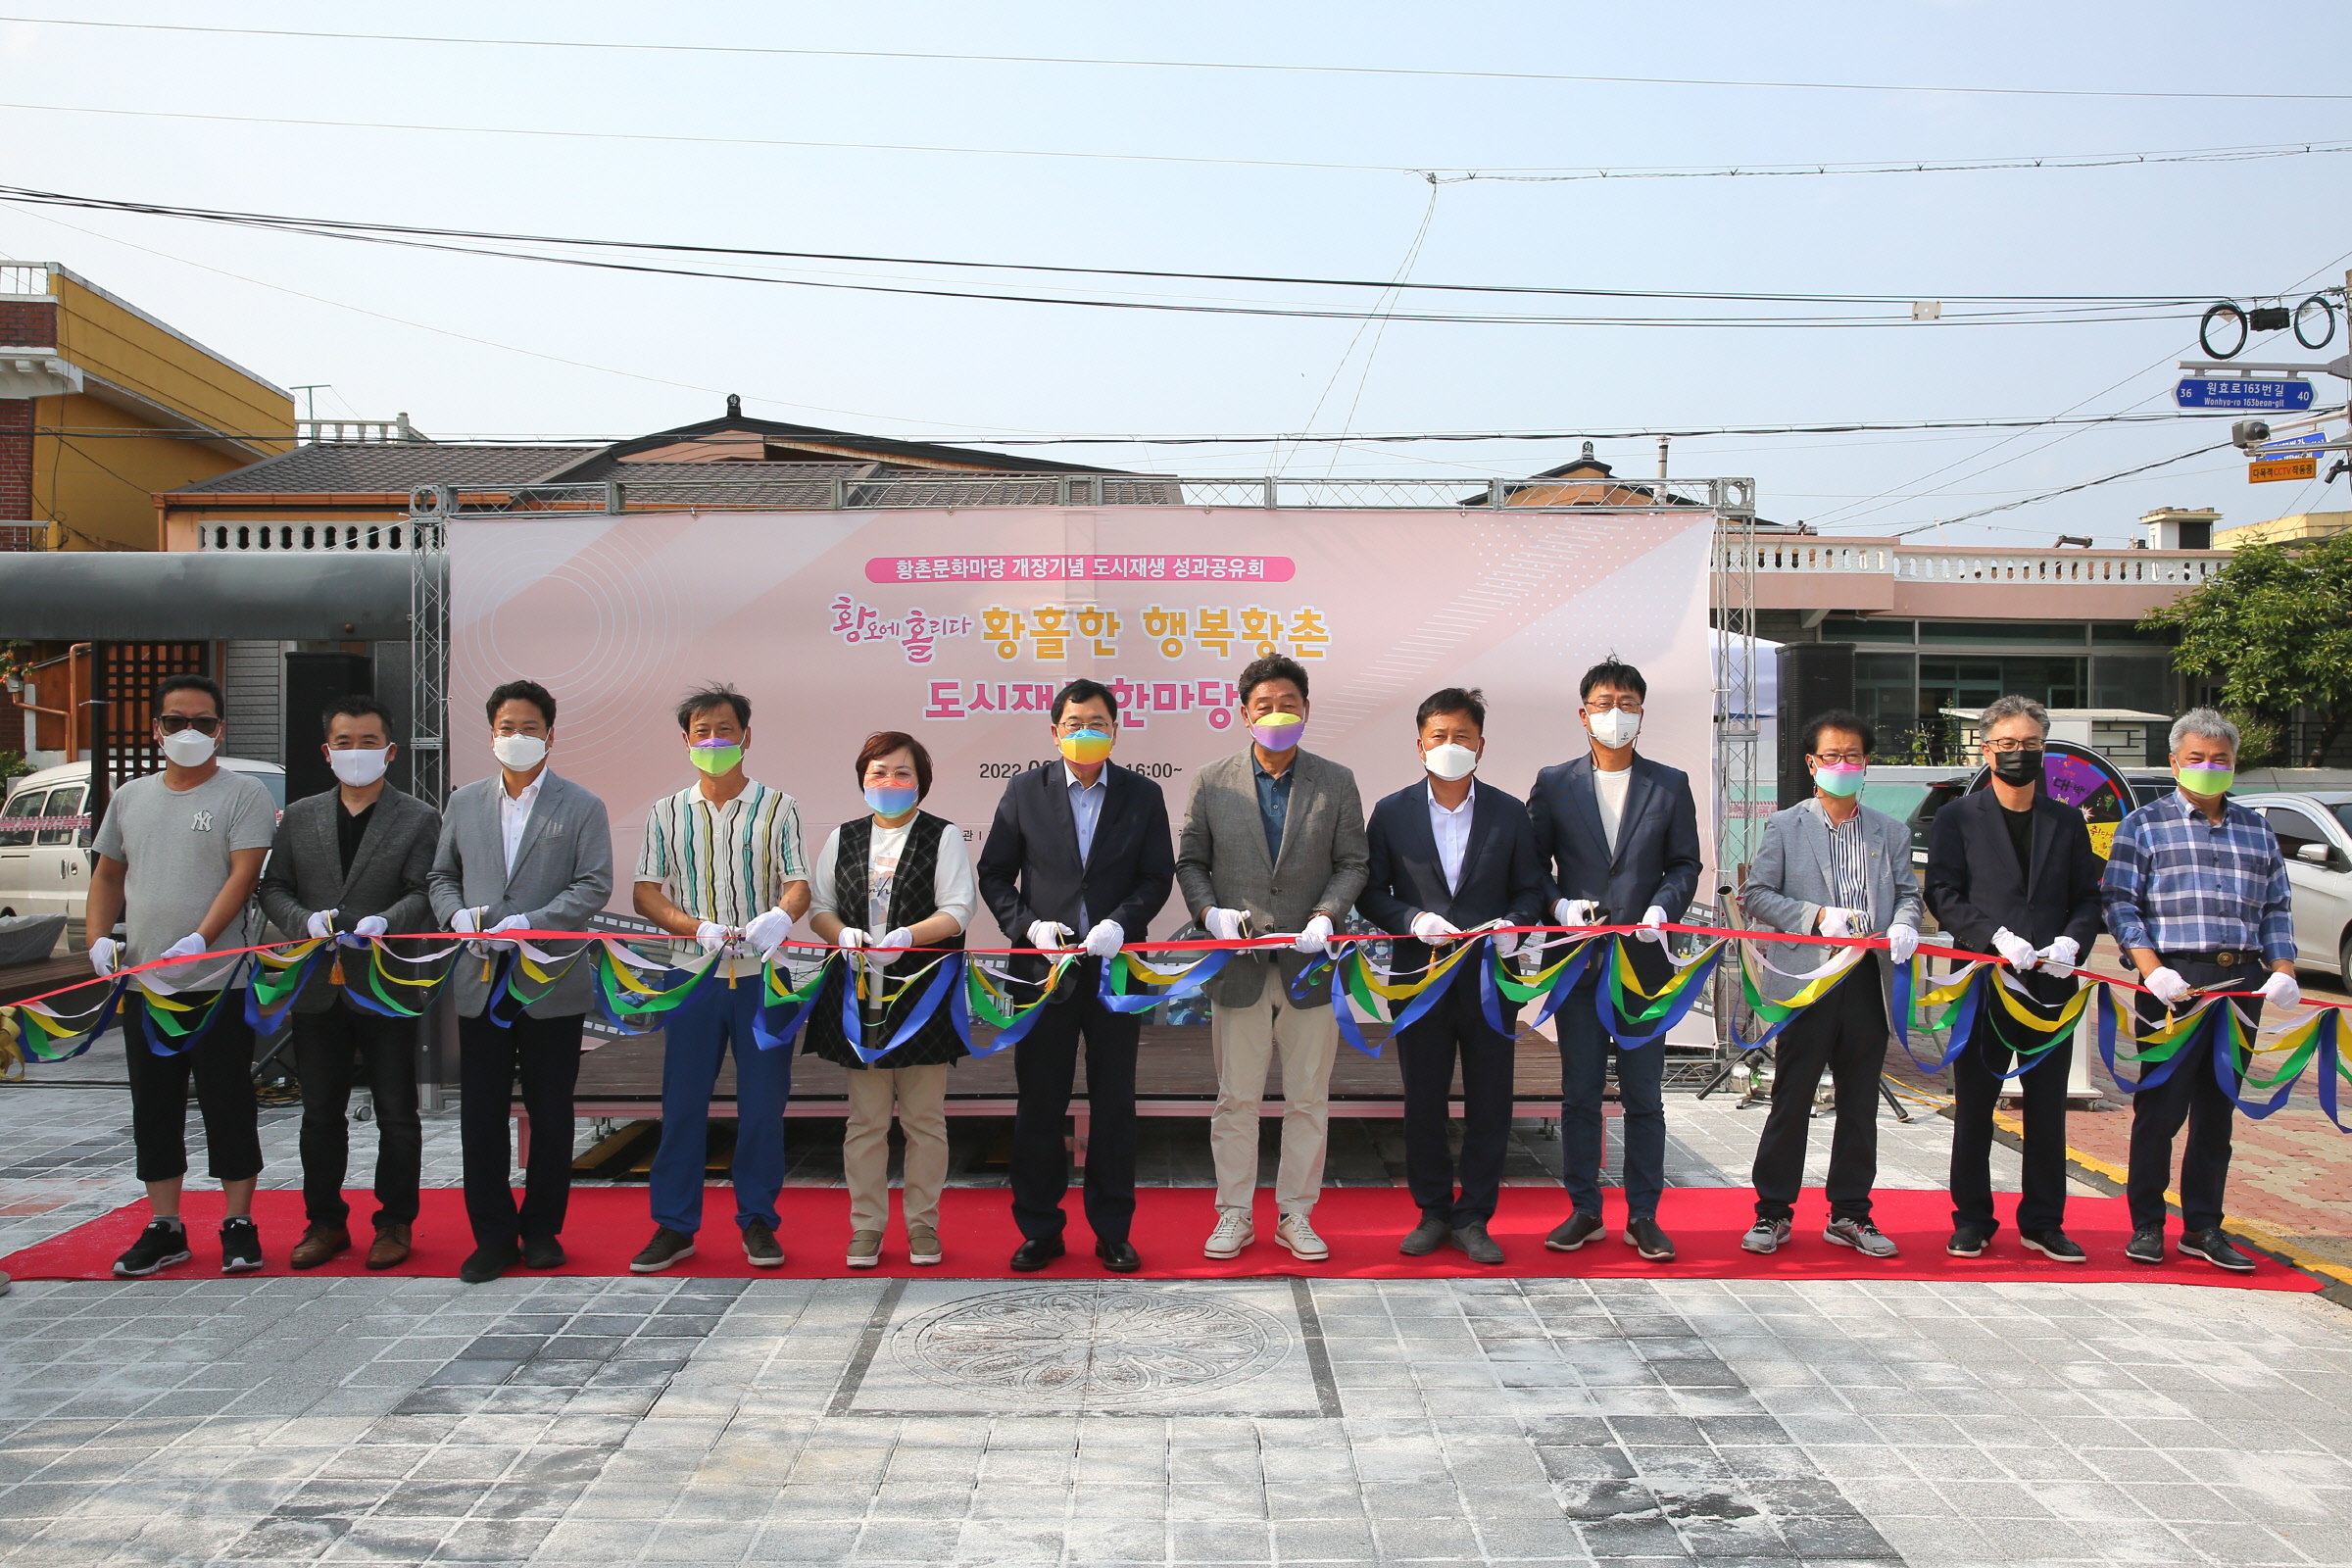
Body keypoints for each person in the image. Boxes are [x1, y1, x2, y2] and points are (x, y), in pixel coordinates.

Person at [976, 677, 1175, 1273]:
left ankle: (1113, 1229)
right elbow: (993, 875)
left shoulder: (1142, 795)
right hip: (1043, 970)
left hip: (1114, 970)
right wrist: (1029, 926)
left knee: (1115, 1103)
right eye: (1074, 724)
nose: (1086, 733)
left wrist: (1123, 922)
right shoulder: (1024, 791)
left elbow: (1156, 878)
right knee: (1040, 1103)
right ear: (1055, 731)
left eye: (1098, 724)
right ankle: (1041, 1228)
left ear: (1117, 730)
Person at [1176, 655, 1369, 1263]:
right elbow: (1191, 862)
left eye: (1289, 702)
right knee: (1237, 1098)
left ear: (1306, 709)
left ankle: (1296, 1214)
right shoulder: (1212, 781)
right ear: (1243, 713)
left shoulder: (1335, 781)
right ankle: (1234, 1213)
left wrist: (1327, 915)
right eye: (1264, 705)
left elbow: (1353, 863)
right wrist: (1210, 915)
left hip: (1311, 963)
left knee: (1309, 1098)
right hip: (1240, 968)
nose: (1277, 713)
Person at [88, 673, 277, 1279]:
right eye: (175, 722)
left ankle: (238, 1222)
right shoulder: (131, 797)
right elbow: (109, 875)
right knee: (155, 1105)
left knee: (227, 1102)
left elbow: (243, 875)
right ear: (157, 729)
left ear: (220, 729)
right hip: (147, 985)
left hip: (220, 981)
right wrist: (98, 938)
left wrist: (202, 936)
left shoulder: (241, 794)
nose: (187, 732)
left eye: (201, 722)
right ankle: (165, 1226)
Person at [428, 679, 613, 1284]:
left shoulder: (581, 804)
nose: (518, 738)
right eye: (507, 728)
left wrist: (530, 923)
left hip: (550, 980)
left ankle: (541, 1231)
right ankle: (491, 1235)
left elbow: (592, 886)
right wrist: (455, 915)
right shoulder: (465, 803)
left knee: (551, 1112)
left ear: (551, 735)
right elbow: (440, 876)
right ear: (491, 734)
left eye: (530, 728)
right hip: (480, 976)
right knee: (481, 1113)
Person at [2101, 707, 2296, 1274]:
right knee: (2160, 1109)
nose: (2209, 767)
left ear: (2234, 766)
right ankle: (2146, 1223)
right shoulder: (2146, 824)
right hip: (2172, 984)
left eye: (2221, 759)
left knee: (2218, 1111)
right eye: (2196, 758)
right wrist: (2149, 967)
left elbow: (2277, 906)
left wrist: (2282, 969)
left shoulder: (2257, 828)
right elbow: (2119, 901)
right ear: (2174, 762)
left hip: (2241, 983)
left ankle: (2204, 1226)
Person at [1357, 687, 1546, 1264]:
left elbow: (1532, 889)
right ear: (1419, 745)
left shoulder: (1510, 813)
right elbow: (1369, 892)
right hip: (1420, 980)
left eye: (1461, 736)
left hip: (1491, 983)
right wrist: (1412, 919)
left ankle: (1475, 1218)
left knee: (1491, 1103)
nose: (1450, 746)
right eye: (1439, 736)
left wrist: (1513, 923)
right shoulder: (1392, 813)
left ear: (1481, 746)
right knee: (1424, 1102)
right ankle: (1433, 1211)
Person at [624, 685, 809, 1273]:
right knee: (682, 1106)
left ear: (746, 737)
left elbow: (798, 880)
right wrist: (694, 926)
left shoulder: (778, 806)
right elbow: (646, 890)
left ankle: (758, 1220)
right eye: (702, 732)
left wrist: (781, 915)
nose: (714, 741)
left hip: (763, 978)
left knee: (761, 1108)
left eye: (725, 730)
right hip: (693, 974)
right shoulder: (665, 812)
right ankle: (674, 1226)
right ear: (686, 741)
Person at [1525, 659, 1703, 1264]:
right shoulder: (1555, 782)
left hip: (1643, 964)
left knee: (1645, 1097)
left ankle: (1645, 1215)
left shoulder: (1669, 784)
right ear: (1584, 714)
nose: (1615, 714)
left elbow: (1685, 865)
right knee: (1578, 1094)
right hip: (1578, 966)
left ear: (1642, 713)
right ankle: (1583, 1209)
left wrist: (1662, 908)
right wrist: (1558, 906)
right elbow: (1531, 868)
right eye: (1604, 703)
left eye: (1627, 703)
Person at [257, 695, 442, 1272]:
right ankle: (325, 1222)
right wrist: (299, 922)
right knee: (319, 1112)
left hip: (387, 981)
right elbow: (273, 887)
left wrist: (389, 921)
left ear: (389, 751)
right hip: (318, 984)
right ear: (326, 751)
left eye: (368, 742)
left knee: (396, 1109)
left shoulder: (418, 818)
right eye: (344, 742)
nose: (356, 753)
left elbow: (425, 890)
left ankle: (394, 1223)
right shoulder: (300, 816)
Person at [1924, 695, 2105, 1263]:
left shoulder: (2066, 819)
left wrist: (2074, 940)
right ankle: (1972, 1219)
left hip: (2051, 984)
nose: (2017, 754)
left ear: (2043, 748)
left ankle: (2044, 1221)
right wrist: (1993, 936)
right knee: (1975, 1105)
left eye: (2028, 744)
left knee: (2047, 1108)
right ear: (1987, 747)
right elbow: (1942, 894)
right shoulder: (1957, 816)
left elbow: (2087, 897)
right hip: (1984, 979)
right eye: (2006, 744)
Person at [1737, 709, 1922, 1259]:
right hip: (1807, 978)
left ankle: (1850, 1213)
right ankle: (1772, 1212)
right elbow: (1757, 895)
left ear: (1868, 763)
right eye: (1832, 756)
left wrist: (1907, 922)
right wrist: (1816, 916)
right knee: (1791, 1096)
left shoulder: (1890, 831)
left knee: (1860, 1100)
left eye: (1854, 756)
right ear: (1812, 763)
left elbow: (1909, 894)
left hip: (1865, 978)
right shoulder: (1787, 826)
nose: (1843, 765)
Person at [804, 732, 976, 1268]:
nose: (890, 783)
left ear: (920, 780)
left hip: (922, 993)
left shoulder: (943, 835)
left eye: (902, 773)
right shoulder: (843, 837)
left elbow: (958, 908)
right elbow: (820, 907)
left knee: (925, 1121)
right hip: (858, 996)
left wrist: (909, 936)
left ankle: (923, 1226)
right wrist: (841, 934)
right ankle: (866, 1228)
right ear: (862, 778)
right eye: (879, 772)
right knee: (866, 1121)